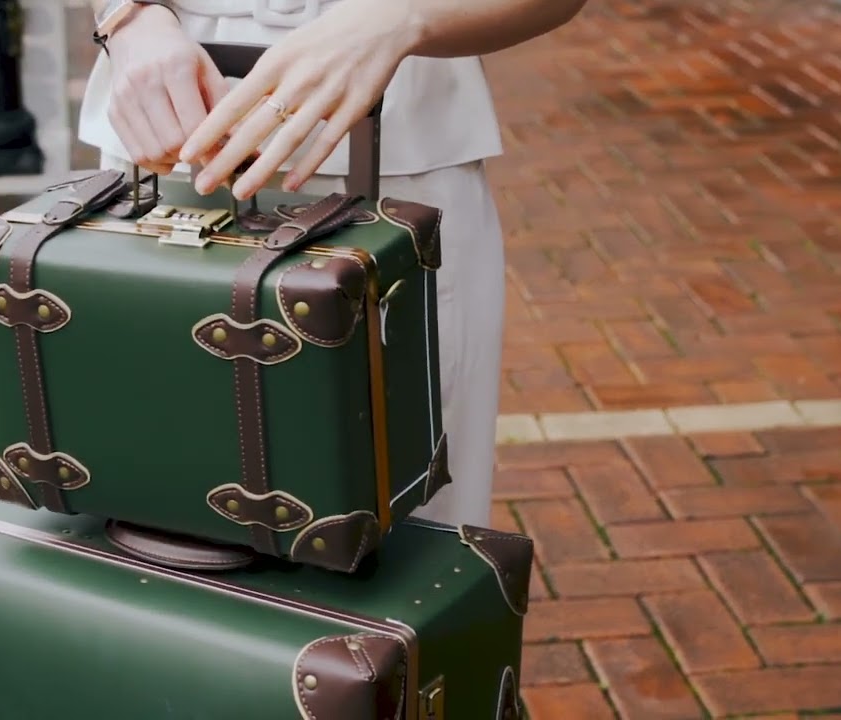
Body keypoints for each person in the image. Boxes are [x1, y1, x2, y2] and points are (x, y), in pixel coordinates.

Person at [77, 0, 586, 528]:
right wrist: (129, 20)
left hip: (397, 149)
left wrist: (402, 19)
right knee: (148, 507)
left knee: (405, 522)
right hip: (163, 124)